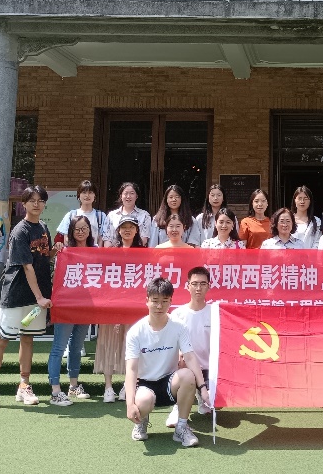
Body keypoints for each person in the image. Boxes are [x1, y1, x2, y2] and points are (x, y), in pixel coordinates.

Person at [0, 185, 53, 412]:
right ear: (24, 204)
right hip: (16, 294)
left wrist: (56, 250)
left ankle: (24, 385)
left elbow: (43, 257)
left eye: (40, 200)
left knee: (27, 338)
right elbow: (27, 266)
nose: (36, 204)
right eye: (32, 200)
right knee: (2, 340)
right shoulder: (20, 231)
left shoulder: (43, 228)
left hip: (36, 297)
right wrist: (40, 297)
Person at [124, 277, 209, 447]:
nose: (159, 306)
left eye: (164, 301)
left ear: (170, 301)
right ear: (147, 301)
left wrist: (203, 388)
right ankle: (141, 421)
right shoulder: (136, 332)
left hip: (170, 383)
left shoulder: (179, 326)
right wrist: (130, 404)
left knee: (188, 375)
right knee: (143, 401)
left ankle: (181, 428)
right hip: (145, 385)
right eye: (155, 301)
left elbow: (190, 357)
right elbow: (131, 369)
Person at [47, 214, 95, 406]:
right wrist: (56, 249)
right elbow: (50, 261)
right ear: (71, 232)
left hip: (86, 306)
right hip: (66, 305)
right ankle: (55, 390)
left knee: (76, 347)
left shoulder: (97, 251)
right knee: (59, 347)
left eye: (84, 228)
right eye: (77, 229)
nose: (81, 232)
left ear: (90, 230)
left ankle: (73, 386)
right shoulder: (64, 250)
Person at [97, 214, 145, 403]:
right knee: (108, 343)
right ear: (118, 230)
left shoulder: (144, 253)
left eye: (131, 227)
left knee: (131, 345)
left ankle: (128, 385)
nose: (127, 230)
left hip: (134, 307)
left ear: (137, 230)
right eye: (124, 227)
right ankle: (108, 387)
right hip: (112, 305)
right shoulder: (111, 252)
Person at [166, 266, 214, 427]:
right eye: (194, 284)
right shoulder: (177, 314)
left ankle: (203, 396)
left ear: (209, 286)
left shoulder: (215, 313)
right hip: (185, 368)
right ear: (188, 286)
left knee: (214, 404)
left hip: (209, 370)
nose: (198, 288)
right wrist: (179, 353)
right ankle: (178, 407)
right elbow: (170, 343)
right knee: (180, 364)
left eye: (203, 284)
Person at [55, 179, 109, 244]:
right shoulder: (71, 215)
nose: (87, 195)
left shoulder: (101, 216)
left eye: (90, 192)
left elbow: (101, 238)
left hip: (94, 250)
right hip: (75, 250)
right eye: (84, 192)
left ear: (95, 196)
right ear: (79, 195)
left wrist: (98, 250)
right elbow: (66, 238)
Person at [104, 182, 155, 248]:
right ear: (121, 196)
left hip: (136, 252)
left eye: (132, 193)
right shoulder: (111, 215)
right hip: (114, 252)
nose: (128, 196)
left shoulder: (145, 215)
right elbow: (107, 239)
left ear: (136, 196)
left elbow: (144, 239)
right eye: (125, 193)